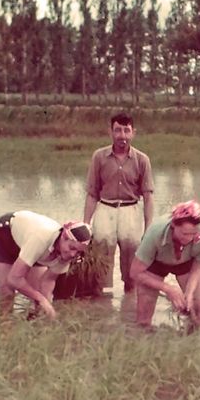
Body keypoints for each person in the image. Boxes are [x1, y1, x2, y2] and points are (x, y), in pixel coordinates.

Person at [83, 112, 155, 293]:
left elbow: (148, 196)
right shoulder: (99, 157)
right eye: (117, 130)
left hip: (131, 211)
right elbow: (92, 194)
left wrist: (149, 229)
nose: (122, 136)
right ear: (110, 132)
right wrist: (85, 225)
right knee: (100, 260)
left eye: (126, 131)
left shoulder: (142, 160)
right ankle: (101, 307)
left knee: (133, 265)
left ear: (133, 133)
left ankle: (129, 306)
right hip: (105, 210)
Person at [0, 211, 92, 320]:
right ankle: (5, 329)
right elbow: (13, 279)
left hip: (31, 245)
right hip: (4, 236)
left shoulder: (67, 253)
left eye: (78, 252)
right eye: (72, 248)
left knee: (39, 296)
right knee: (7, 293)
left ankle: (37, 328)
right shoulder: (41, 239)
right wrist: (41, 299)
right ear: (63, 237)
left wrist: (47, 306)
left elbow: (48, 281)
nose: (73, 254)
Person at [130, 200, 200, 330]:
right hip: (155, 263)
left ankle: (199, 342)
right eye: (185, 233)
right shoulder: (154, 234)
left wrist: (189, 293)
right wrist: (168, 288)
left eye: (193, 233)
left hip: (185, 262)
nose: (189, 238)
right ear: (174, 225)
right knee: (143, 320)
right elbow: (135, 272)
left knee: (199, 308)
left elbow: (198, 266)